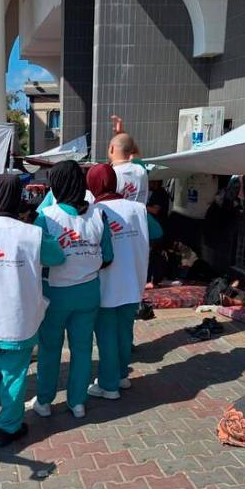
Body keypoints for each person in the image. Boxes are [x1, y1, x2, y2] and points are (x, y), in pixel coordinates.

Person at [0, 174, 64, 446]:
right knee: (14, 377)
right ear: (20, 199)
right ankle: (8, 427)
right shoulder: (34, 234)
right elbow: (57, 257)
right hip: (19, 321)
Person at [30, 161, 113, 419]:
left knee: (50, 348)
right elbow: (108, 256)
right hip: (89, 292)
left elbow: (37, 258)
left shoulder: (46, 218)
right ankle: (77, 402)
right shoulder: (99, 215)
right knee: (82, 349)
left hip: (55, 294)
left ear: (56, 186)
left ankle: (44, 401)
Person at [85, 164, 162, 399]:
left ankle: (109, 386)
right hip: (133, 280)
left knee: (106, 336)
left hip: (106, 283)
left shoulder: (94, 210)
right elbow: (157, 231)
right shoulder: (138, 208)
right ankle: (120, 376)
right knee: (124, 332)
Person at [109, 133, 149, 204]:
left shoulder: (109, 174)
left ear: (112, 148)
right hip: (140, 214)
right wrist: (123, 134)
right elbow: (135, 152)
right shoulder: (141, 170)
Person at [146, 180, 171, 285]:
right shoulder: (153, 193)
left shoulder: (160, 193)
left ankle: (155, 278)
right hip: (155, 228)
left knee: (155, 255)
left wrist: (139, 206)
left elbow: (155, 210)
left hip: (159, 228)